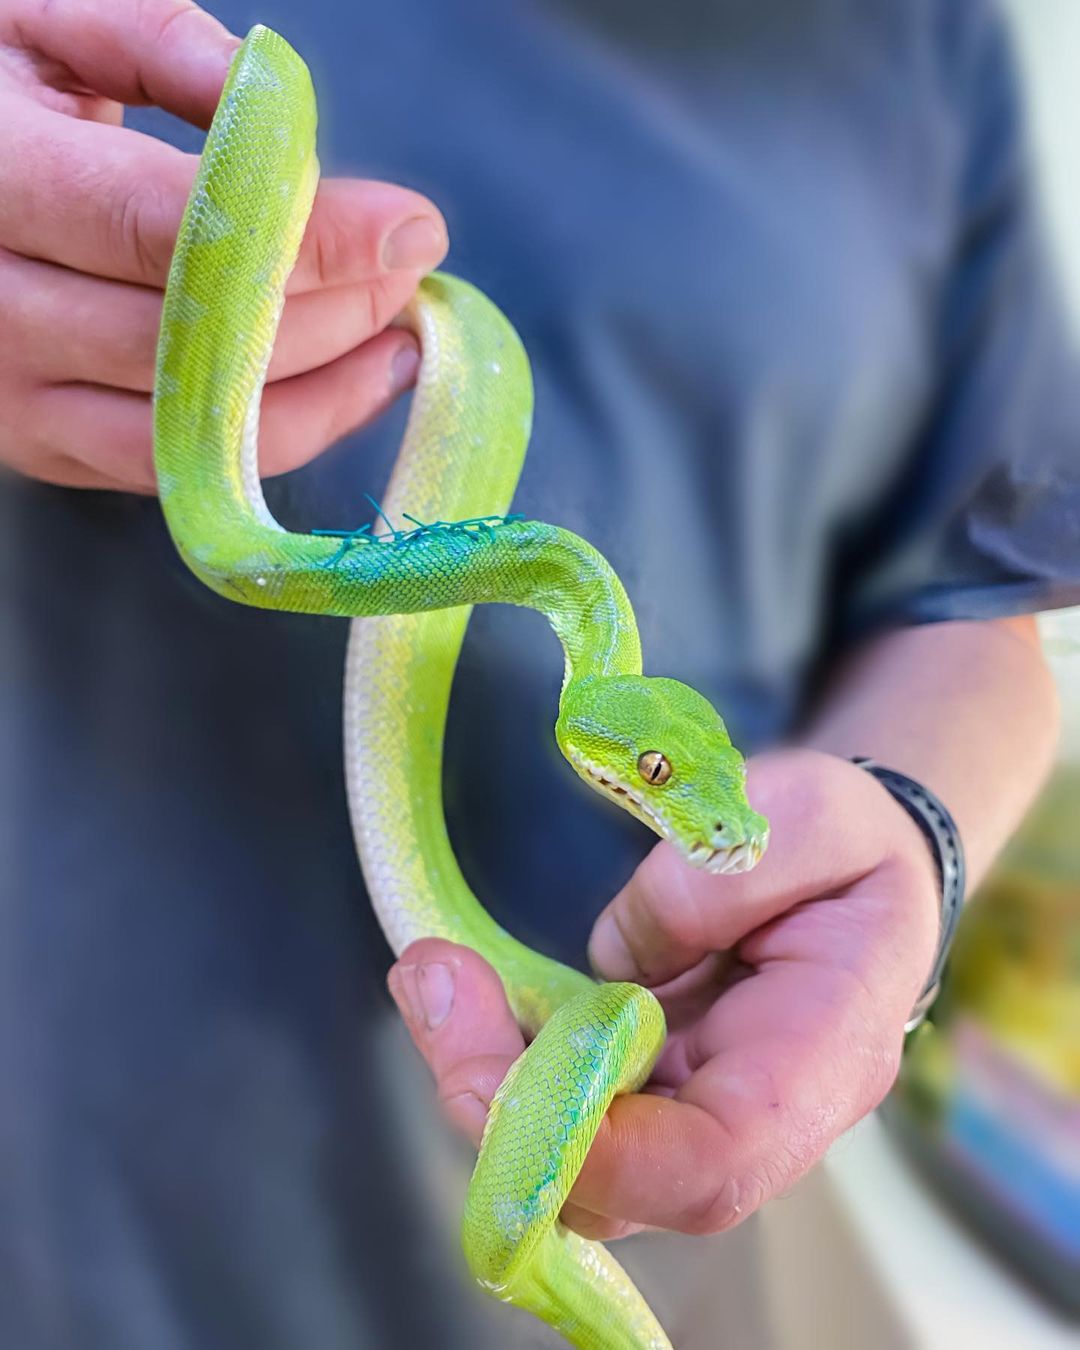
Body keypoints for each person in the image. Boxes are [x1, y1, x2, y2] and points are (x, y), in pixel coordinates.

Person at [1, 0, 1076, 1346]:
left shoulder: (932, 49)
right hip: (72, 1194)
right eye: (666, 785)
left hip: (640, 1188)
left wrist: (911, 838)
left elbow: (977, 608)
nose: (704, 830)